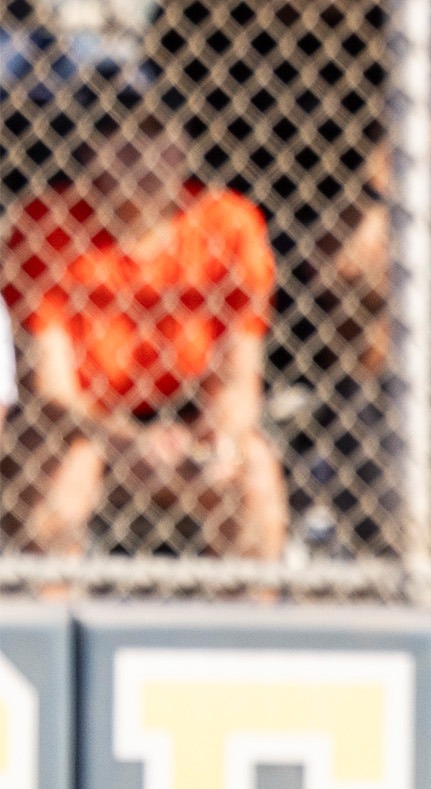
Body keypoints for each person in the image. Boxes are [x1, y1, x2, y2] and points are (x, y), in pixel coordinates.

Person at [0, 104, 286, 562]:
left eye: (163, 137)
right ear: (91, 152)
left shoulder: (228, 224)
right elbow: (48, 391)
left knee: (254, 470)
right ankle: (52, 623)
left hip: (186, 419)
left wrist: (217, 441)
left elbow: (238, 380)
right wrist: (127, 443)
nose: (148, 158)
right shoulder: (46, 223)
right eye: (126, 141)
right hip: (82, 424)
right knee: (68, 475)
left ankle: (250, 625)